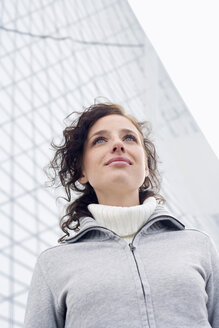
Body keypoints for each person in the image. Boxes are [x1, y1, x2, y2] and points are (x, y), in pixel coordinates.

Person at [24, 102, 219, 328]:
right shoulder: (53, 264)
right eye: (100, 140)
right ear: (82, 171)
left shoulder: (198, 245)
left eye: (129, 138)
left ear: (146, 168)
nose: (117, 144)